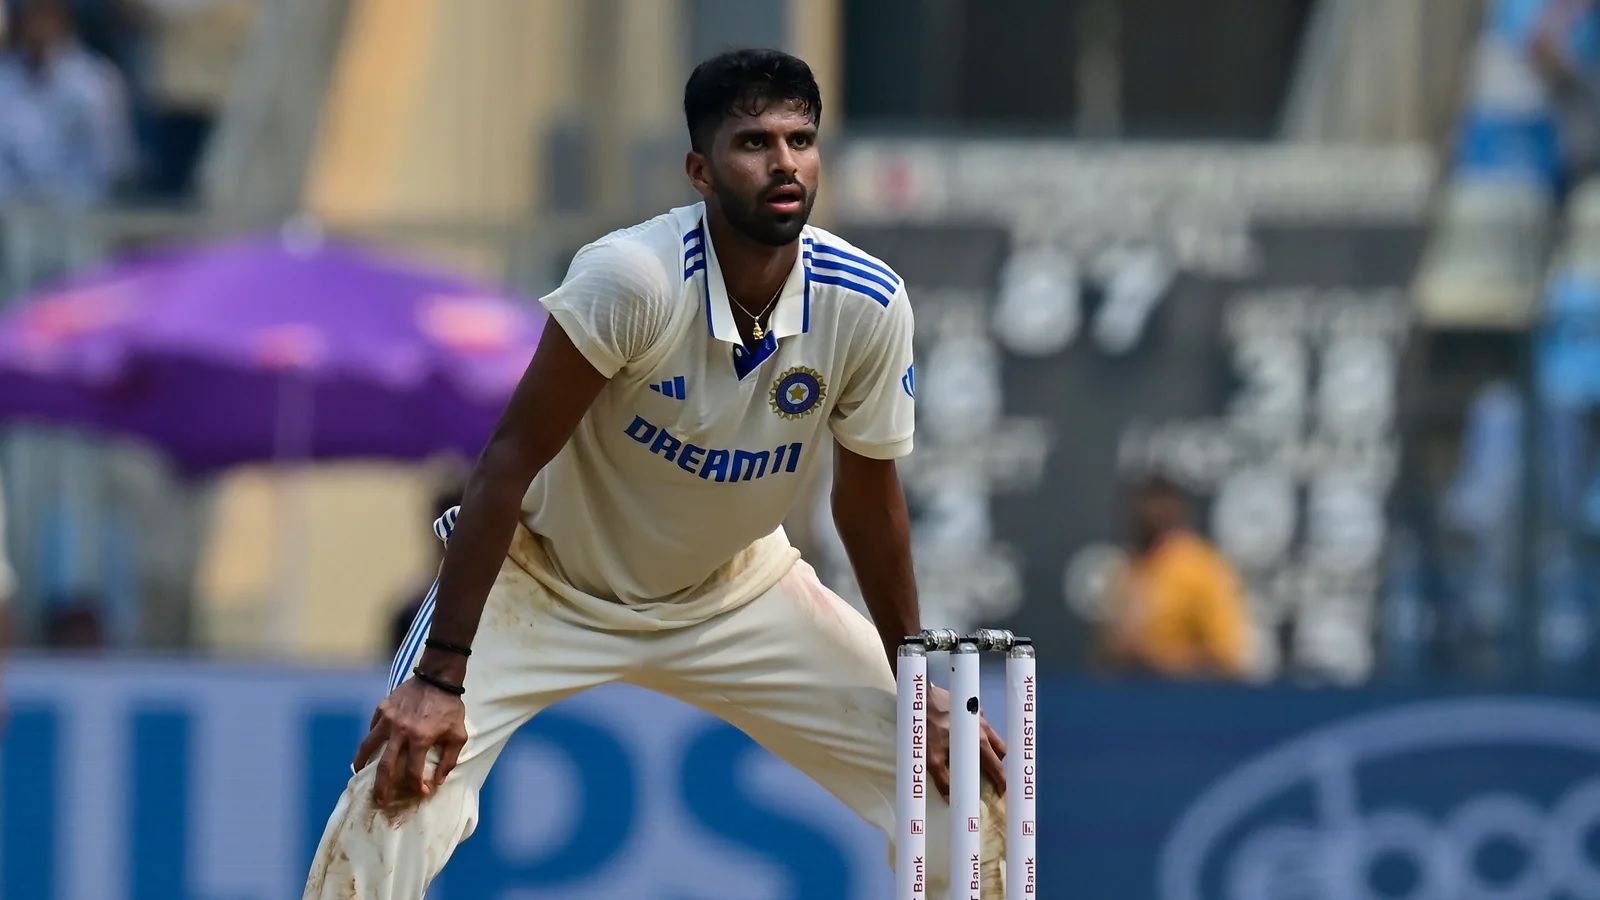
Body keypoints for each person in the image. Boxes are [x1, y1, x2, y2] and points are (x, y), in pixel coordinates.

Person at [303, 48, 1009, 899]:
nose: (784, 163)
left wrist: (918, 680)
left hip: (736, 590)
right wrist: (439, 676)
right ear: (700, 171)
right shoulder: (631, 280)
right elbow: (503, 466)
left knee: (961, 791)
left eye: (800, 139)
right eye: (754, 142)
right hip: (546, 583)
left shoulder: (865, 302)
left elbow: (867, 501)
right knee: (392, 804)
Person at [1098, 475, 1253, 681]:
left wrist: (1162, 659)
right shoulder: (1130, 569)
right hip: (1132, 695)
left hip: (1187, 699)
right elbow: (1108, 652)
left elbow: (1228, 656)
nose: (1152, 520)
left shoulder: (1204, 568)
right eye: (1146, 512)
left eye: (1162, 512)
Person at [0, 0, 133, 205]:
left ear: (65, 20)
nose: (37, 28)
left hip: (82, 211)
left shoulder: (96, 81)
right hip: (10, 214)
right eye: (30, 17)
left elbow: (112, 163)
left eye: (46, 16)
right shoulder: (5, 79)